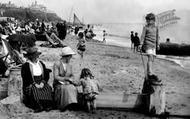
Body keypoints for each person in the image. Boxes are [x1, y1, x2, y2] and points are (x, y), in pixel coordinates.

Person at [21, 46, 53, 112]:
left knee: (47, 88)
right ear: (31, 57)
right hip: (31, 83)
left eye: (37, 56)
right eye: (35, 56)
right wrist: (34, 84)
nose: (36, 57)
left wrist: (43, 82)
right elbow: (25, 78)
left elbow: (46, 74)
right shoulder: (26, 66)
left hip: (41, 81)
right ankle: (38, 106)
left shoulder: (41, 63)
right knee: (35, 90)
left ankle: (47, 105)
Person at [53, 46, 78, 111]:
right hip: (58, 83)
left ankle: (72, 103)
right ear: (66, 56)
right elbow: (56, 77)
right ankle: (65, 105)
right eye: (70, 56)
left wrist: (71, 79)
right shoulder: (57, 64)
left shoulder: (69, 65)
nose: (71, 57)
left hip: (67, 83)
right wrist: (65, 79)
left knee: (73, 88)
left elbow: (72, 75)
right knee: (65, 88)